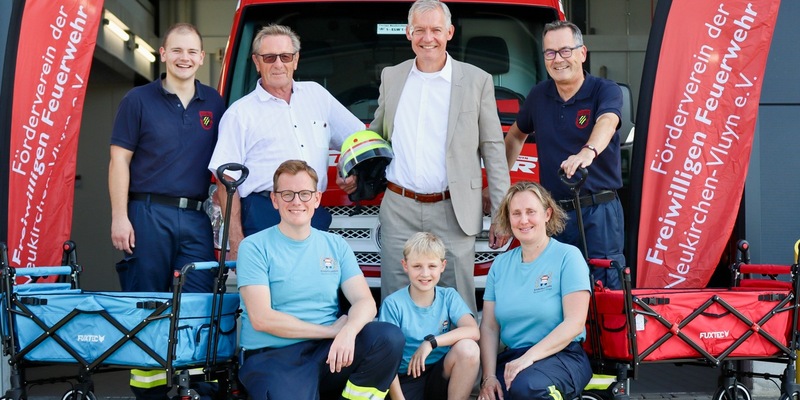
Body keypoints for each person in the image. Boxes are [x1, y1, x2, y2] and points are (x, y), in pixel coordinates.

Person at [368, 0, 510, 314]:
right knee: (395, 304)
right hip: (398, 208)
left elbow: (493, 151)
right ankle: (399, 364)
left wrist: (501, 213)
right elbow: (377, 134)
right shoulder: (392, 76)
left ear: (449, 32)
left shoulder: (477, 80)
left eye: (435, 29)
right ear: (408, 33)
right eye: (419, 30)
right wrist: (353, 168)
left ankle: (461, 365)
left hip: (453, 211)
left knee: (458, 304)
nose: (427, 37)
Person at [108, 23, 224, 399]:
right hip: (146, 212)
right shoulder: (137, 100)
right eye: (177, 50)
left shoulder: (216, 104)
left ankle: (193, 389)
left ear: (201, 58)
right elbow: (119, 161)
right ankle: (150, 391)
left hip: (195, 217)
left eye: (191, 52)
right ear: (163, 54)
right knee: (148, 303)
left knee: (198, 303)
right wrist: (119, 215)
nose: (184, 58)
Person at [236, 159, 404, 400]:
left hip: (329, 351)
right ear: (274, 200)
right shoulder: (254, 247)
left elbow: (365, 302)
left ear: (317, 199)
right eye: (287, 194)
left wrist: (348, 331)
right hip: (274, 356)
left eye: (304, 194)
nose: (296, 201)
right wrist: (330, 331)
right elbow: (263, 319)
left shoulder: (335, 245)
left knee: (387, 337)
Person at [208, 24, 365, 259]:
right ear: (256, 62)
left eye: (285, 56)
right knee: (268, 291)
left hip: (313, 213)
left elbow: (359, 137)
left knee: (313, 287)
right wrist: (235, 240)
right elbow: (226, 182)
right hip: (264, 215)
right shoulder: (239, 114)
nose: (278, 64)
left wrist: (347, 167)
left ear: (296, 60)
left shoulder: (318, 95)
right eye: (269, 57)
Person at [503, 20, 624, 289]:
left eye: (566, 51)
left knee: (604, 286)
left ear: (582, 53)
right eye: (550, 53)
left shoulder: (604, 90)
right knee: (555, 286)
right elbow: (515, 136)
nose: (558, 59)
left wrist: (587, 152)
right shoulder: (538, 96)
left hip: (599, 211)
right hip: (553, 213)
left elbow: (607, 121)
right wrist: (499, 184)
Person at [478, 181, 592, 400]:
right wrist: (489, 377)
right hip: (514, 357)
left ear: (547, 214)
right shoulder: (500, 265)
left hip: (561, 356)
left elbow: (574, 323)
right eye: (516, 213)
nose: (523, 220)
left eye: (531, 212)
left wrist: (529, 358)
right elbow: (490, 327)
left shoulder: (568, 257)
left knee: (526, 387)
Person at [379, 232, 480, 400]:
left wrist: (431, 343)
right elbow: (386, 360)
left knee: (469, 348)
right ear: (405, 265)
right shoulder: (393, 304)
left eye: (432, 266)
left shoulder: (449, 296)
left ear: (442, 266)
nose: (425, 274)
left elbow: (472, 330)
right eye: (417, 266)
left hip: (440, 372)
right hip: (404, 378)